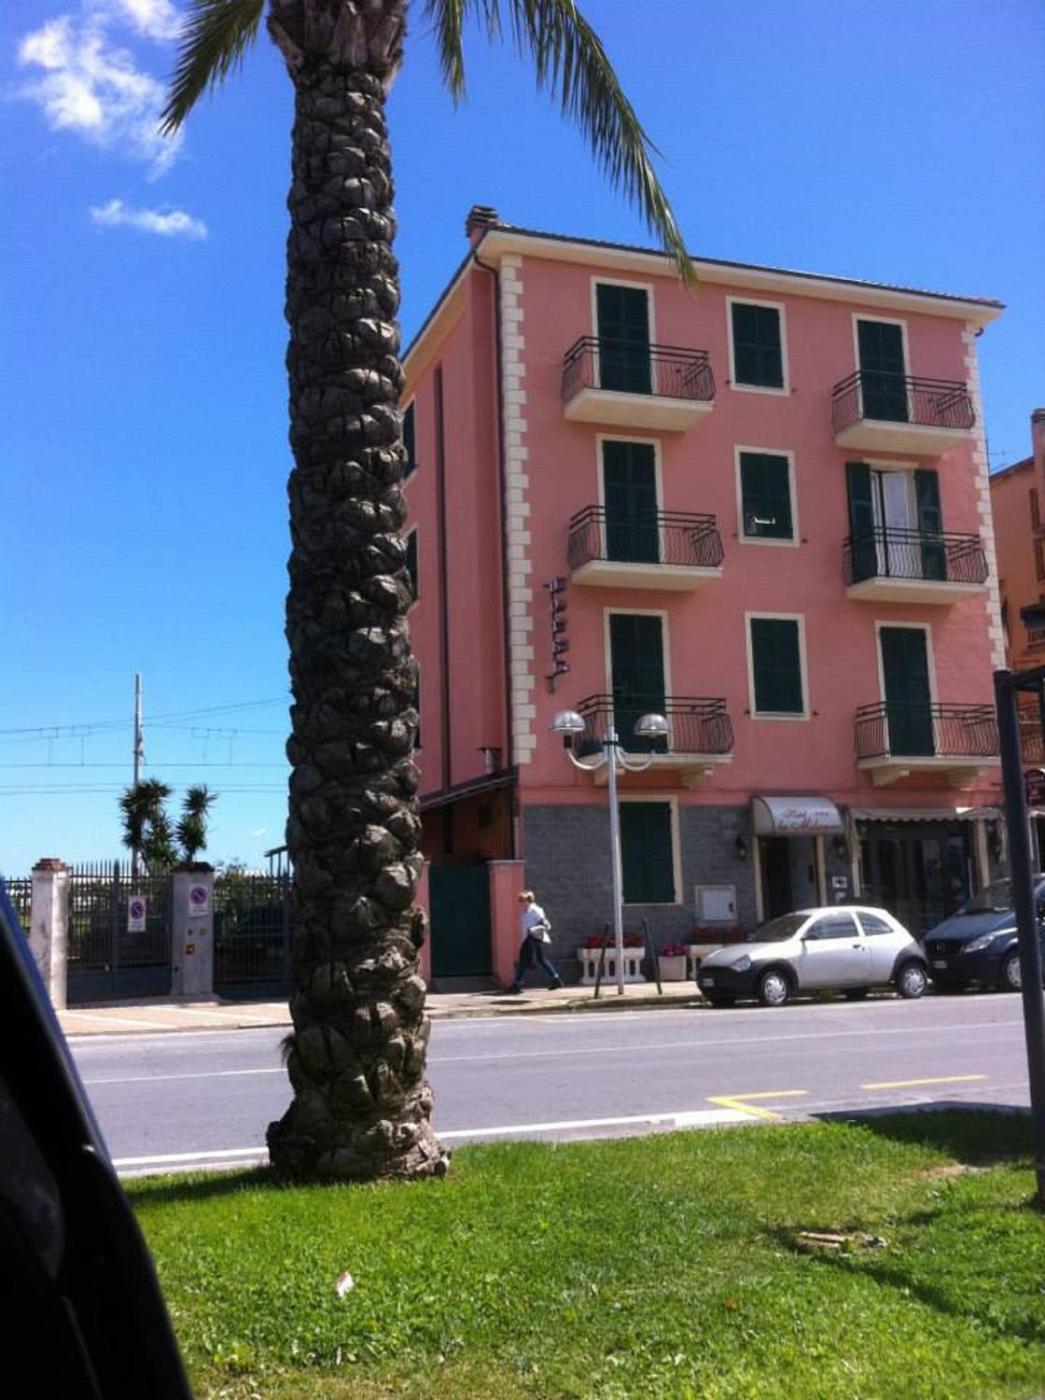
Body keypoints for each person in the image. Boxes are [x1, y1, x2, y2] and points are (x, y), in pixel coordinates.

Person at [508, 890, 563, 994]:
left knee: (523, 961)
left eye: (522, 900)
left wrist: (533, 930)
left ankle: (517, 984)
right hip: (529, 939)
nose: (521, 903)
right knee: (541, 960)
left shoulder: (536, 910)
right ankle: (556, 979)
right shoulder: (525, 911)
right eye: (520, 901)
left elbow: (545, 924)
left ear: (528, 900)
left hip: (534, 938)